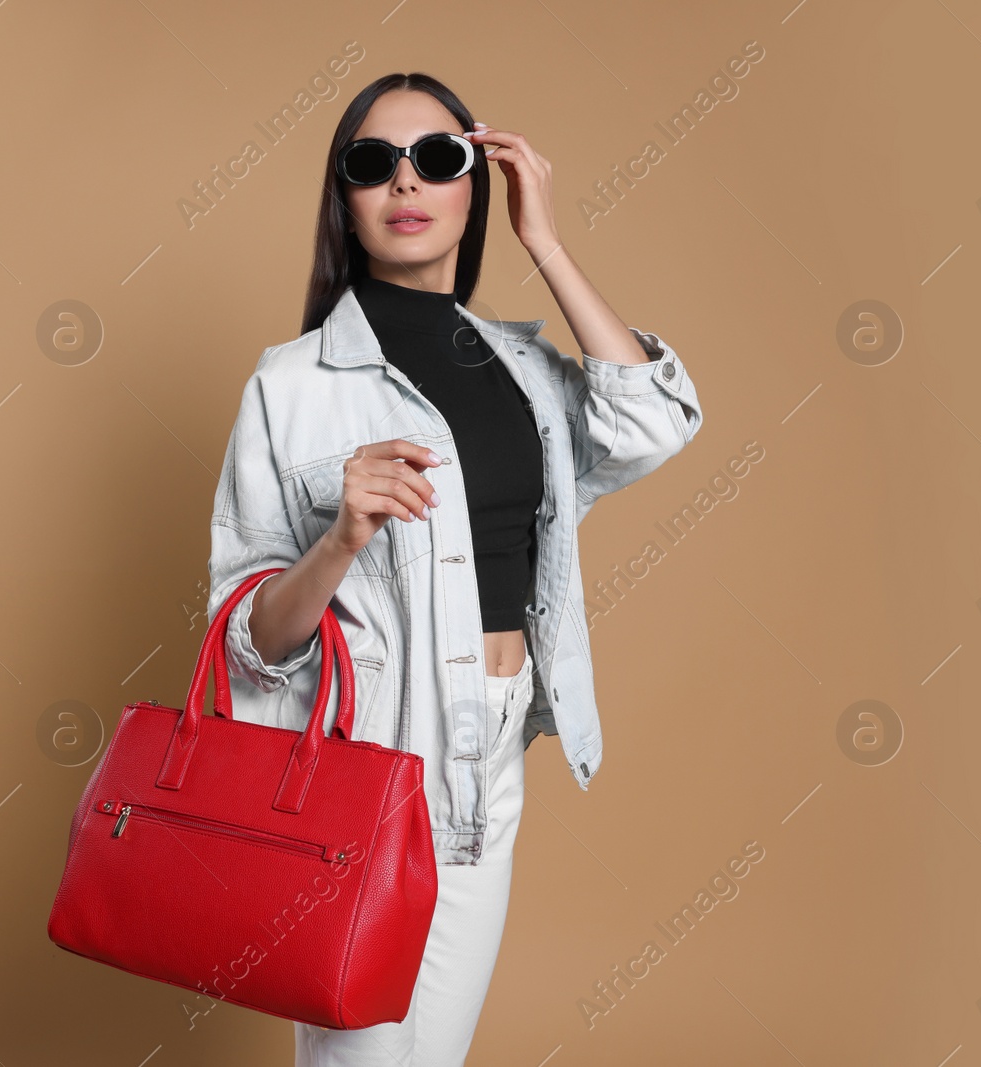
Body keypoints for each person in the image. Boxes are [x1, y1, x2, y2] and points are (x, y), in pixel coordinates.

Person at [205, 71, 703, 1065]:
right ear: (344, 199)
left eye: (437, 157)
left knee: (426, 1055)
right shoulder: (290, 387)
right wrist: (340, 533)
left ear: (475, 183)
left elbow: (652, 418)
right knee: (363, 1055)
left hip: (493, 739)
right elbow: (244, 643)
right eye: (371, 163)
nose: (405, 181)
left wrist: (547, 244)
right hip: (365, 748)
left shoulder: (522, 372)